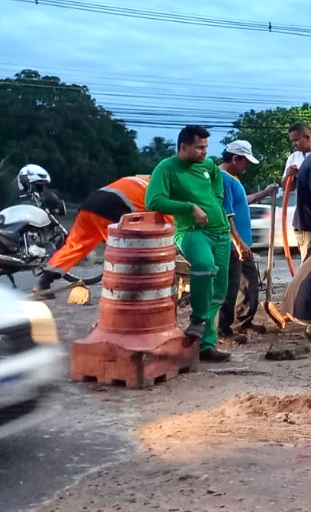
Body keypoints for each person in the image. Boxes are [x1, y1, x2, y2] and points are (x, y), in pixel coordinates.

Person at [145, 125, 233, 362]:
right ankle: (198, 320)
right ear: (183, 147)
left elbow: (216, 176)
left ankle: (205, 344)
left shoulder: (207, 166)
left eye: (206, 147)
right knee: (204, 266)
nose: (205, 152)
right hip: (192, 231)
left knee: (219, 291)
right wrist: (189, 207)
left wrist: (217, 199)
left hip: (221, 233)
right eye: (199, 147)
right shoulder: (167, 168)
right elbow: (153, 200)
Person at [33, 174, 169, 298]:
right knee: (129, 252)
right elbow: (173, 226)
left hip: (89, 205)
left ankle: (43, 282)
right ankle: (128, 292)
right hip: (111, 210)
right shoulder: (165, 195)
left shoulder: (143, 180)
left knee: (75, 246)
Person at [216, 141, 278, 343]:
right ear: (235, 158)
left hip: (243, 243)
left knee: (250, 282)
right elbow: (227, 214)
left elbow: (244, 202)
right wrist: (237, 242)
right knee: (230, 286)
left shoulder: (233, 179)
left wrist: (266, 192)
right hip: (233, 243)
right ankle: (223, 329)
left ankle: (245, 321)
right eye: (245, 162)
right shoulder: (222, 179)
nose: (247, 166)